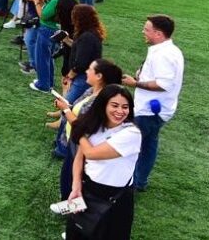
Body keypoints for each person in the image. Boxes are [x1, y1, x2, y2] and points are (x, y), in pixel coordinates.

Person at [64, 84, 142, 240]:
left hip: (115, 198)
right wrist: (76, 186)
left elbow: (91, 154)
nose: (120, 111)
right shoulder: (94, 125)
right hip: (87, 187)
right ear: (103, 105)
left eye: (125, 107)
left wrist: (78, 131)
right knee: (75, 231)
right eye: (115, 105)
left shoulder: (132, 134)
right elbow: (80, 156)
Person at [121, 14, 184, 192]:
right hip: (159, 109)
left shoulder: (163, 55)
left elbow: (163, 84)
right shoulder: (170, 50)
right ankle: (139, 182)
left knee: (132, 145)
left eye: (147, 29)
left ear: (158, 34)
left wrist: (135, 83)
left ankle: (128, 183)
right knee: (149, 144)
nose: (143, 32)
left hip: (149, 111)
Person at [49, 59, 124, 206]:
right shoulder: (91, 91)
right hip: (75, 141)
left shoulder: (101, 100)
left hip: (84, 146)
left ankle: (72, 208)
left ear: (99, 76)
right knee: (68, 176)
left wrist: (65, 109)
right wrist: (65, 102)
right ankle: (70, 205)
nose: (86, 71)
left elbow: (82, 126)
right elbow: (76, 109)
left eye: (90, 69)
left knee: (74, 179)